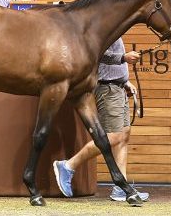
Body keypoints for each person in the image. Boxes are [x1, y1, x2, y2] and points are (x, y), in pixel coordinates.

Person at [53, 38, 149, 202]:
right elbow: (98, 53)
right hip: (107, 88)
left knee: (124, 136)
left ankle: (121, 187)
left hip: (117, 87)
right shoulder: (105, 25)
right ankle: (68, 166)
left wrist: (125, 81)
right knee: (112, 137)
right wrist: (123, 58)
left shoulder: (116, 26)